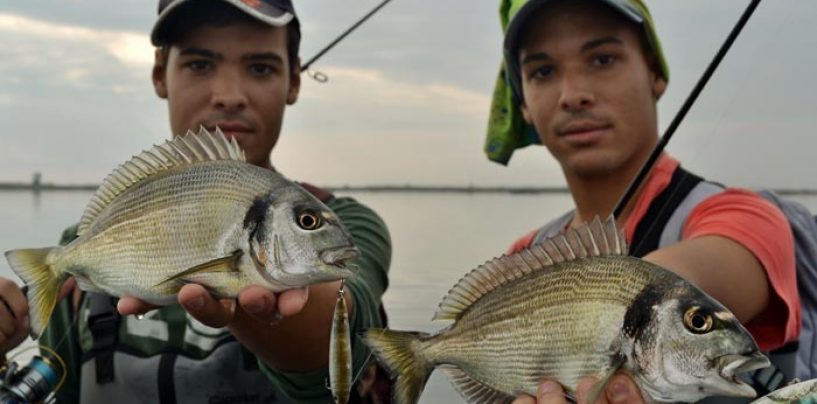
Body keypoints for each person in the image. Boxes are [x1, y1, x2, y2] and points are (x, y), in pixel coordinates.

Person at [0, 1, 392, 403]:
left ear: (294, 81)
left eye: (260, 67)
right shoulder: (78, 252)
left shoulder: (355, 224)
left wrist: (263, 307)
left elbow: (341, 336)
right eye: (200, 64)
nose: (228, 96)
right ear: (159, 74)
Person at [483, 0, 801, 403]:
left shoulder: (746, 216)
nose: (574, 94)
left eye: (602, 58)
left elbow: (663, 291)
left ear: (654, 72)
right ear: (523, 103)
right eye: (543, 71)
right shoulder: (524, 254)